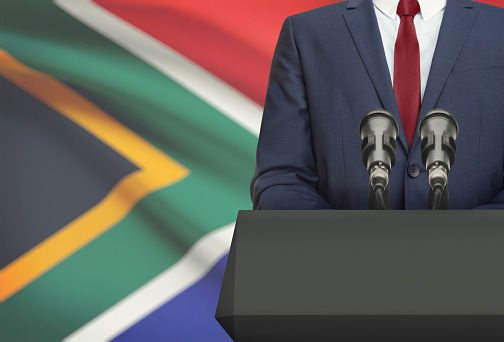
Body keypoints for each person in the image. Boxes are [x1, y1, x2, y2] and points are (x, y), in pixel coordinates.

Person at [251, 0, 504, 210]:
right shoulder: (306, 34)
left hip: (478, 265)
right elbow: (281, 180)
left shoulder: (498, 30)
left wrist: (467, 241)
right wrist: (352, 245)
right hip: (339, 266)